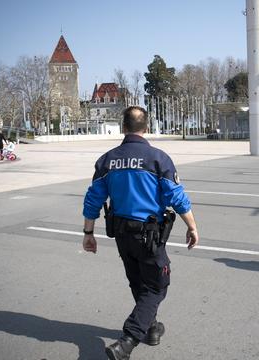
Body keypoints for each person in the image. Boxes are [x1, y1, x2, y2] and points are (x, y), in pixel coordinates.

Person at [82, 106, 199, 360]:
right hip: (149, 236)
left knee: (138, 282)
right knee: (157, 287)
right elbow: (176, 196)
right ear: (146, 128)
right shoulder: (158, 158)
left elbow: (93, 199)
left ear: (123, 127)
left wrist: (88, 232)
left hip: (122, 235)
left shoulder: (107, 160)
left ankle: (152, 328)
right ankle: (128, 341)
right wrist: (191, 225)